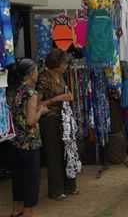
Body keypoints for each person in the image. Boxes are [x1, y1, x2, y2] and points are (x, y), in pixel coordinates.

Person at [7, 59, 49, 217]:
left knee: (17, 176)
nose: (37, 73)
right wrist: (41, 111)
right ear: (31, 73)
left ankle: (16, 208)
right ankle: (28, 211)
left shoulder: (13, 90)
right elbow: (30, 121)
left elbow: (19, 112)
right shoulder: (31, 93)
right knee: (31, 177)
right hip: (29, 142)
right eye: (36, 71)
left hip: (15, 140)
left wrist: (35, 110)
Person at [36, 49, 78, 200]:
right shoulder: (43, 79)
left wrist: (66, 97)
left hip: (63, 118)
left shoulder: (61, 75)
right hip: (50, 119)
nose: (66, 66)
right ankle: (56, 190)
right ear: (55, 64)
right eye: (64, 63)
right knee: (54, 155)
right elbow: (37, 103)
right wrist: (58, 98)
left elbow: (68, 95)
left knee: (67, 151)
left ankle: (70, 186)